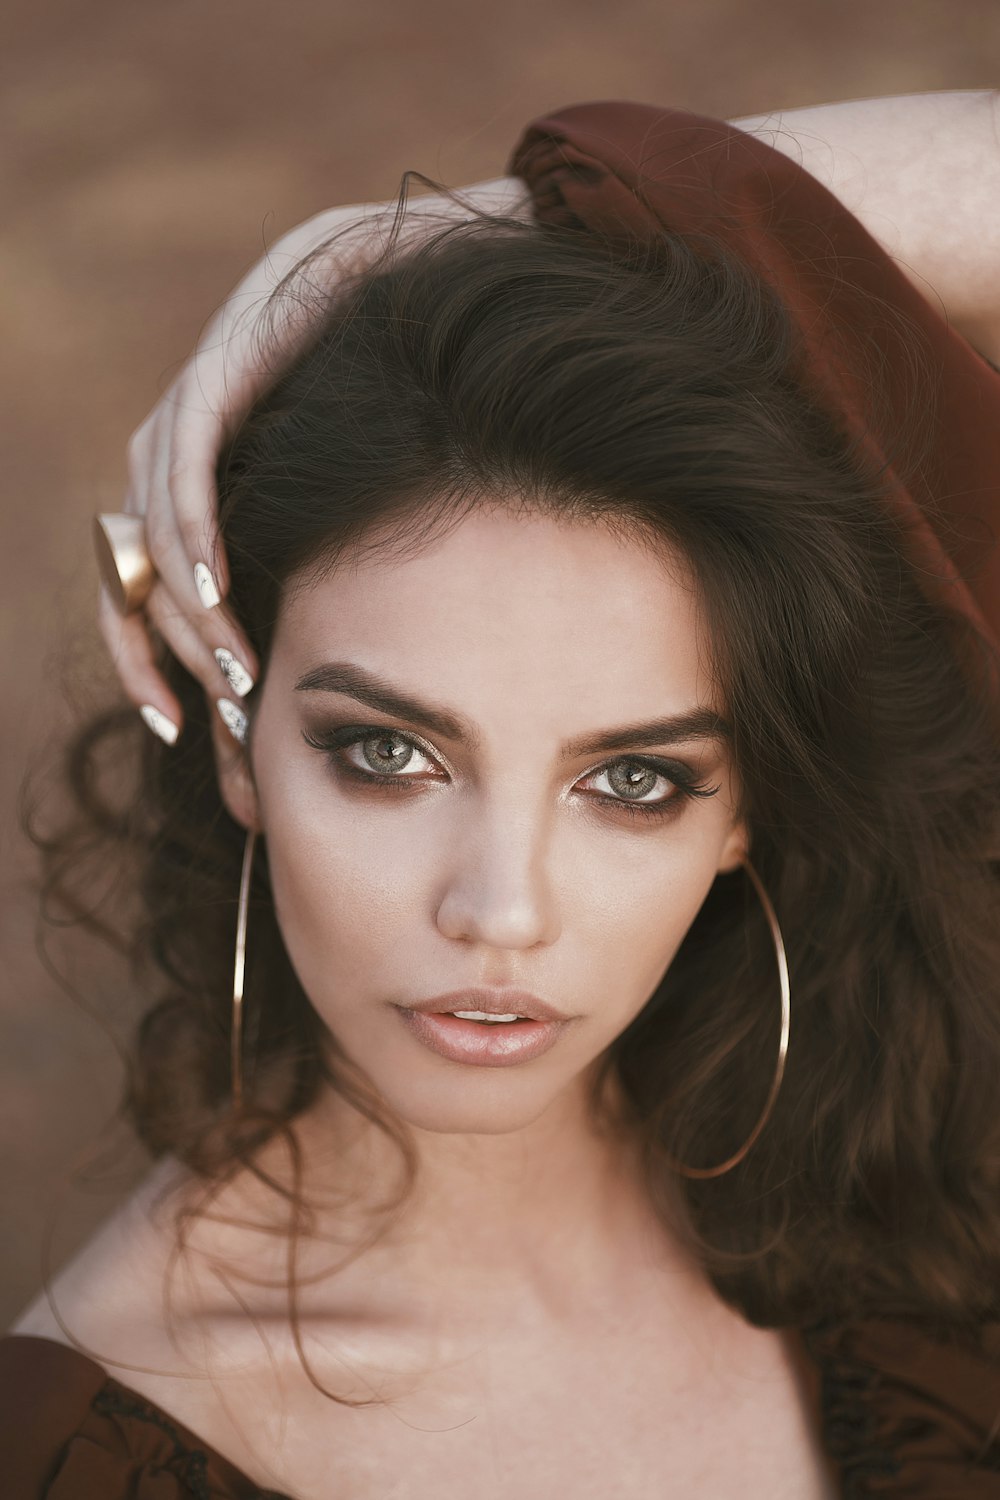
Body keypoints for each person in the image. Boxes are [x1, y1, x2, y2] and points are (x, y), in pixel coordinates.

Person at [3, 91, 1000, 1499]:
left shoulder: (910, 1179)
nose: (502, 910)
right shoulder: (88, 1452)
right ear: (239, 748)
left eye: (635, 778)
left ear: (748, 809)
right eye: (390, 756)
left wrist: (440, 232)